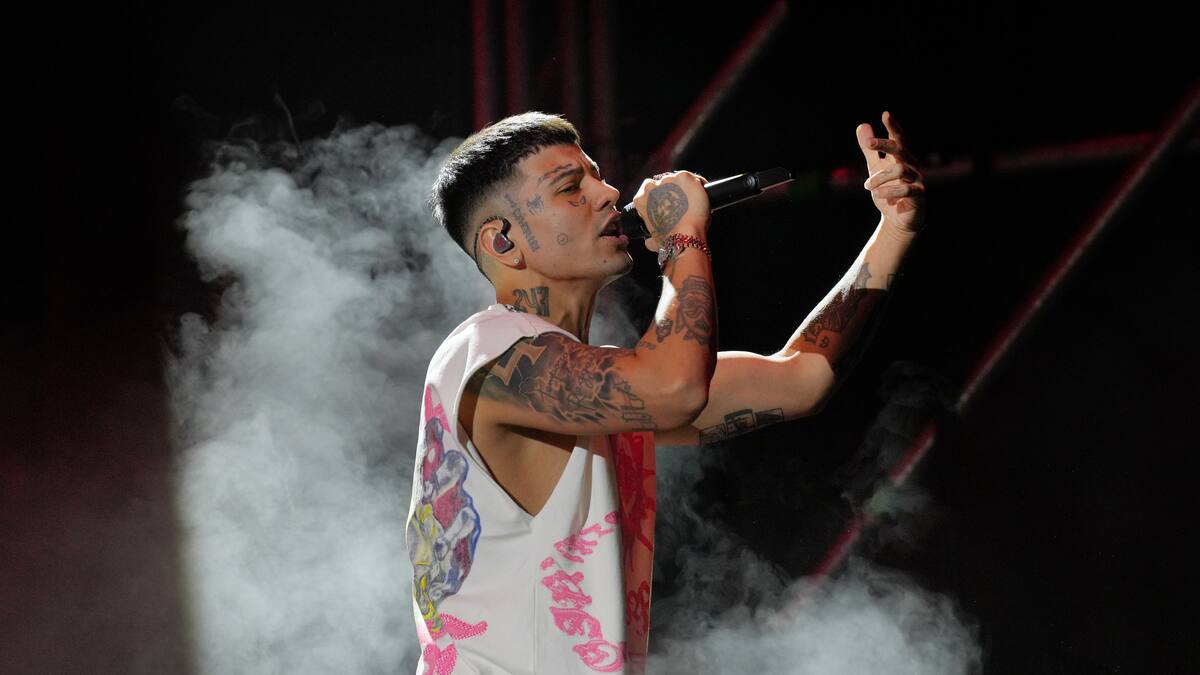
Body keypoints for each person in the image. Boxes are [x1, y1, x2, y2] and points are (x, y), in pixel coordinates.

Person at [407, 110, 926, 674]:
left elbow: (802, 380)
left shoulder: (594, 387)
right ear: (502, 241)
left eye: (597, 176)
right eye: (571, 188)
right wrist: (682, 238)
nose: (609, 194)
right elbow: (676, 387)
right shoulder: (487, 354)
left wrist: (893, 231)